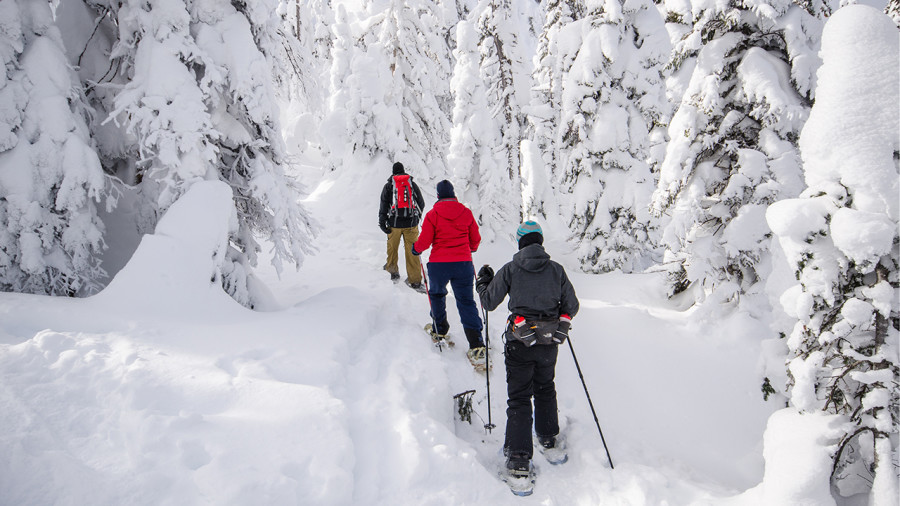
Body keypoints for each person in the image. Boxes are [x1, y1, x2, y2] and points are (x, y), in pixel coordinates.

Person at [475, 220, 579, 479]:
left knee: (520, 397)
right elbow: (572, 306)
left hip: (519, 341)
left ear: (521, 242)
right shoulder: (556, 270)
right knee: (545, 387)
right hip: (548, 341)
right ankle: (547, 437)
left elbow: (488, 303)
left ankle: (519, 458)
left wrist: (483, 282)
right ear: (540, 241)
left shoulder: (511, 269)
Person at [411, 180, 486, 366]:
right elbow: (475, 239)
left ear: (438, 196)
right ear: (453, 194)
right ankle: (476, 343)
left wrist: (416, 249)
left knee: (436, 295)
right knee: (466, 301)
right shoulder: (466, 213)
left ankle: (439, 329)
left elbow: (425, 242)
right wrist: (472, 248)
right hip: (463, 264)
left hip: (439, 264)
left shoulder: (433, 214)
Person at [378, 161, 426, 291]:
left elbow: (383, 205)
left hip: (394, 224)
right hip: (411, 224)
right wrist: (416, 218)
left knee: (392, 248)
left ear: (393, 173)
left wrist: (382, 222)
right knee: (412, 251)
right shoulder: (411, 184)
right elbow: (421, 203)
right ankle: (415, 281)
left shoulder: (389, 186)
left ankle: (393, 272)